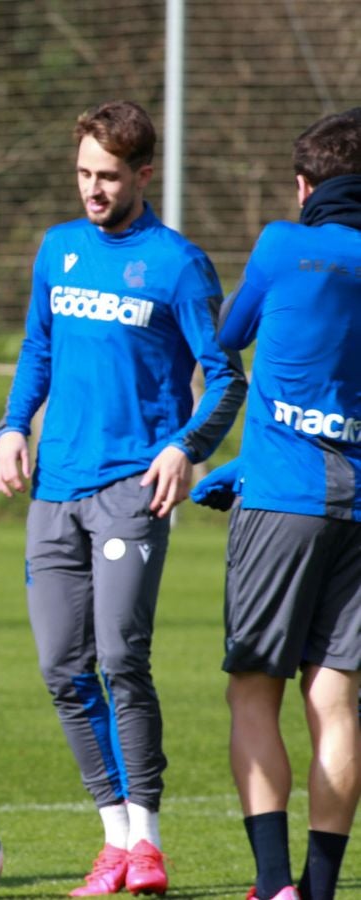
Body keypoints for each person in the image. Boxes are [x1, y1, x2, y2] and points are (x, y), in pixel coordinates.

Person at [0, 99, 246, 896]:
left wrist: (184, 447)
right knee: (63, 668)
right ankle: (112, 841)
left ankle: (149, 843)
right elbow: (37, 347)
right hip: (54, 488)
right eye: (82, 174)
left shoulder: (177, 263)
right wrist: (11, 426)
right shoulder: (58, 249)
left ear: (142, 173)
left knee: (122, 660)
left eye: (107, 176)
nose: (92, 190)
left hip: (132, 487)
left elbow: (227, 376)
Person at [213, 108, 361, 900]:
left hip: (281, 501)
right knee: (336, 697)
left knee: (254, 688)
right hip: (359, 505)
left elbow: (228, 333)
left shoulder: (281, 243)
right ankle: (322, 888)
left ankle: (274, 884)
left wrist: (236, 455)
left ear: (306, 187)